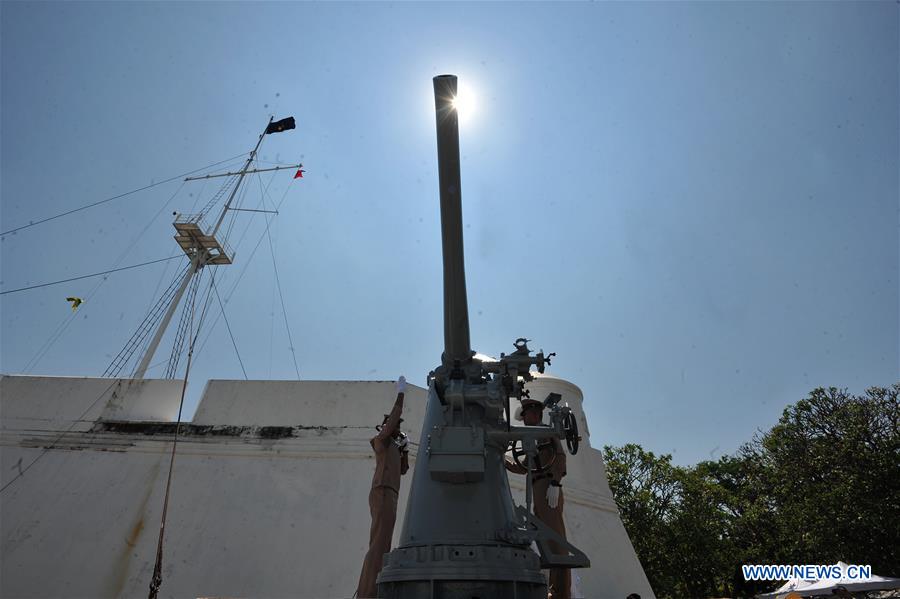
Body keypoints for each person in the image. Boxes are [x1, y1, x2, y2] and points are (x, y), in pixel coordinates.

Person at [505, 397, 571, 599]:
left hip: (548, 486)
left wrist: (556, 483)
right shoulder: (533, 438)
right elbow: (524, 467)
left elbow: (560, 457)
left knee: (557, 543)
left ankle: (561, 594)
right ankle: (554, 590)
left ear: (535, 414)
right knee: (546, 541)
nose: (527, 419)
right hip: (538, 488)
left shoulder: (546, 433)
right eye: (526, 416)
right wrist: (502, 460)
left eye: (530, 414)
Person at [355, 376, 410, 599]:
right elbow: (394, 418)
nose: (397, 428)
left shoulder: (394, 448)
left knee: (382, 542)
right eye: (393, 425)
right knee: (378, 544)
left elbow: (403, 470)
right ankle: (368, 592)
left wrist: (405, 449)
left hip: (391, 493)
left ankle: (372, 589)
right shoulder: (380, 441)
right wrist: (401, 395)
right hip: (383, 490)